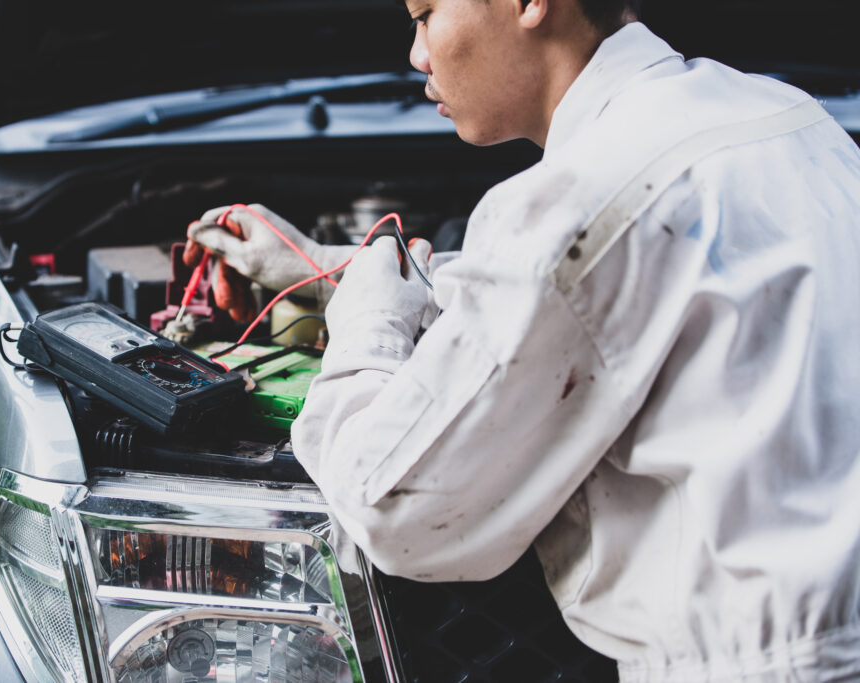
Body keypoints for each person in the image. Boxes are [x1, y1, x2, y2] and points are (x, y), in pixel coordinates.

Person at [185, 0, 860, 679]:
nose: (418, 55)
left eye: (424, 15)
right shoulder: (786, 117)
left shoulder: (576, 200)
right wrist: (326, 271)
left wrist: (368, 323)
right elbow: (597, 293)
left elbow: (387, 503)